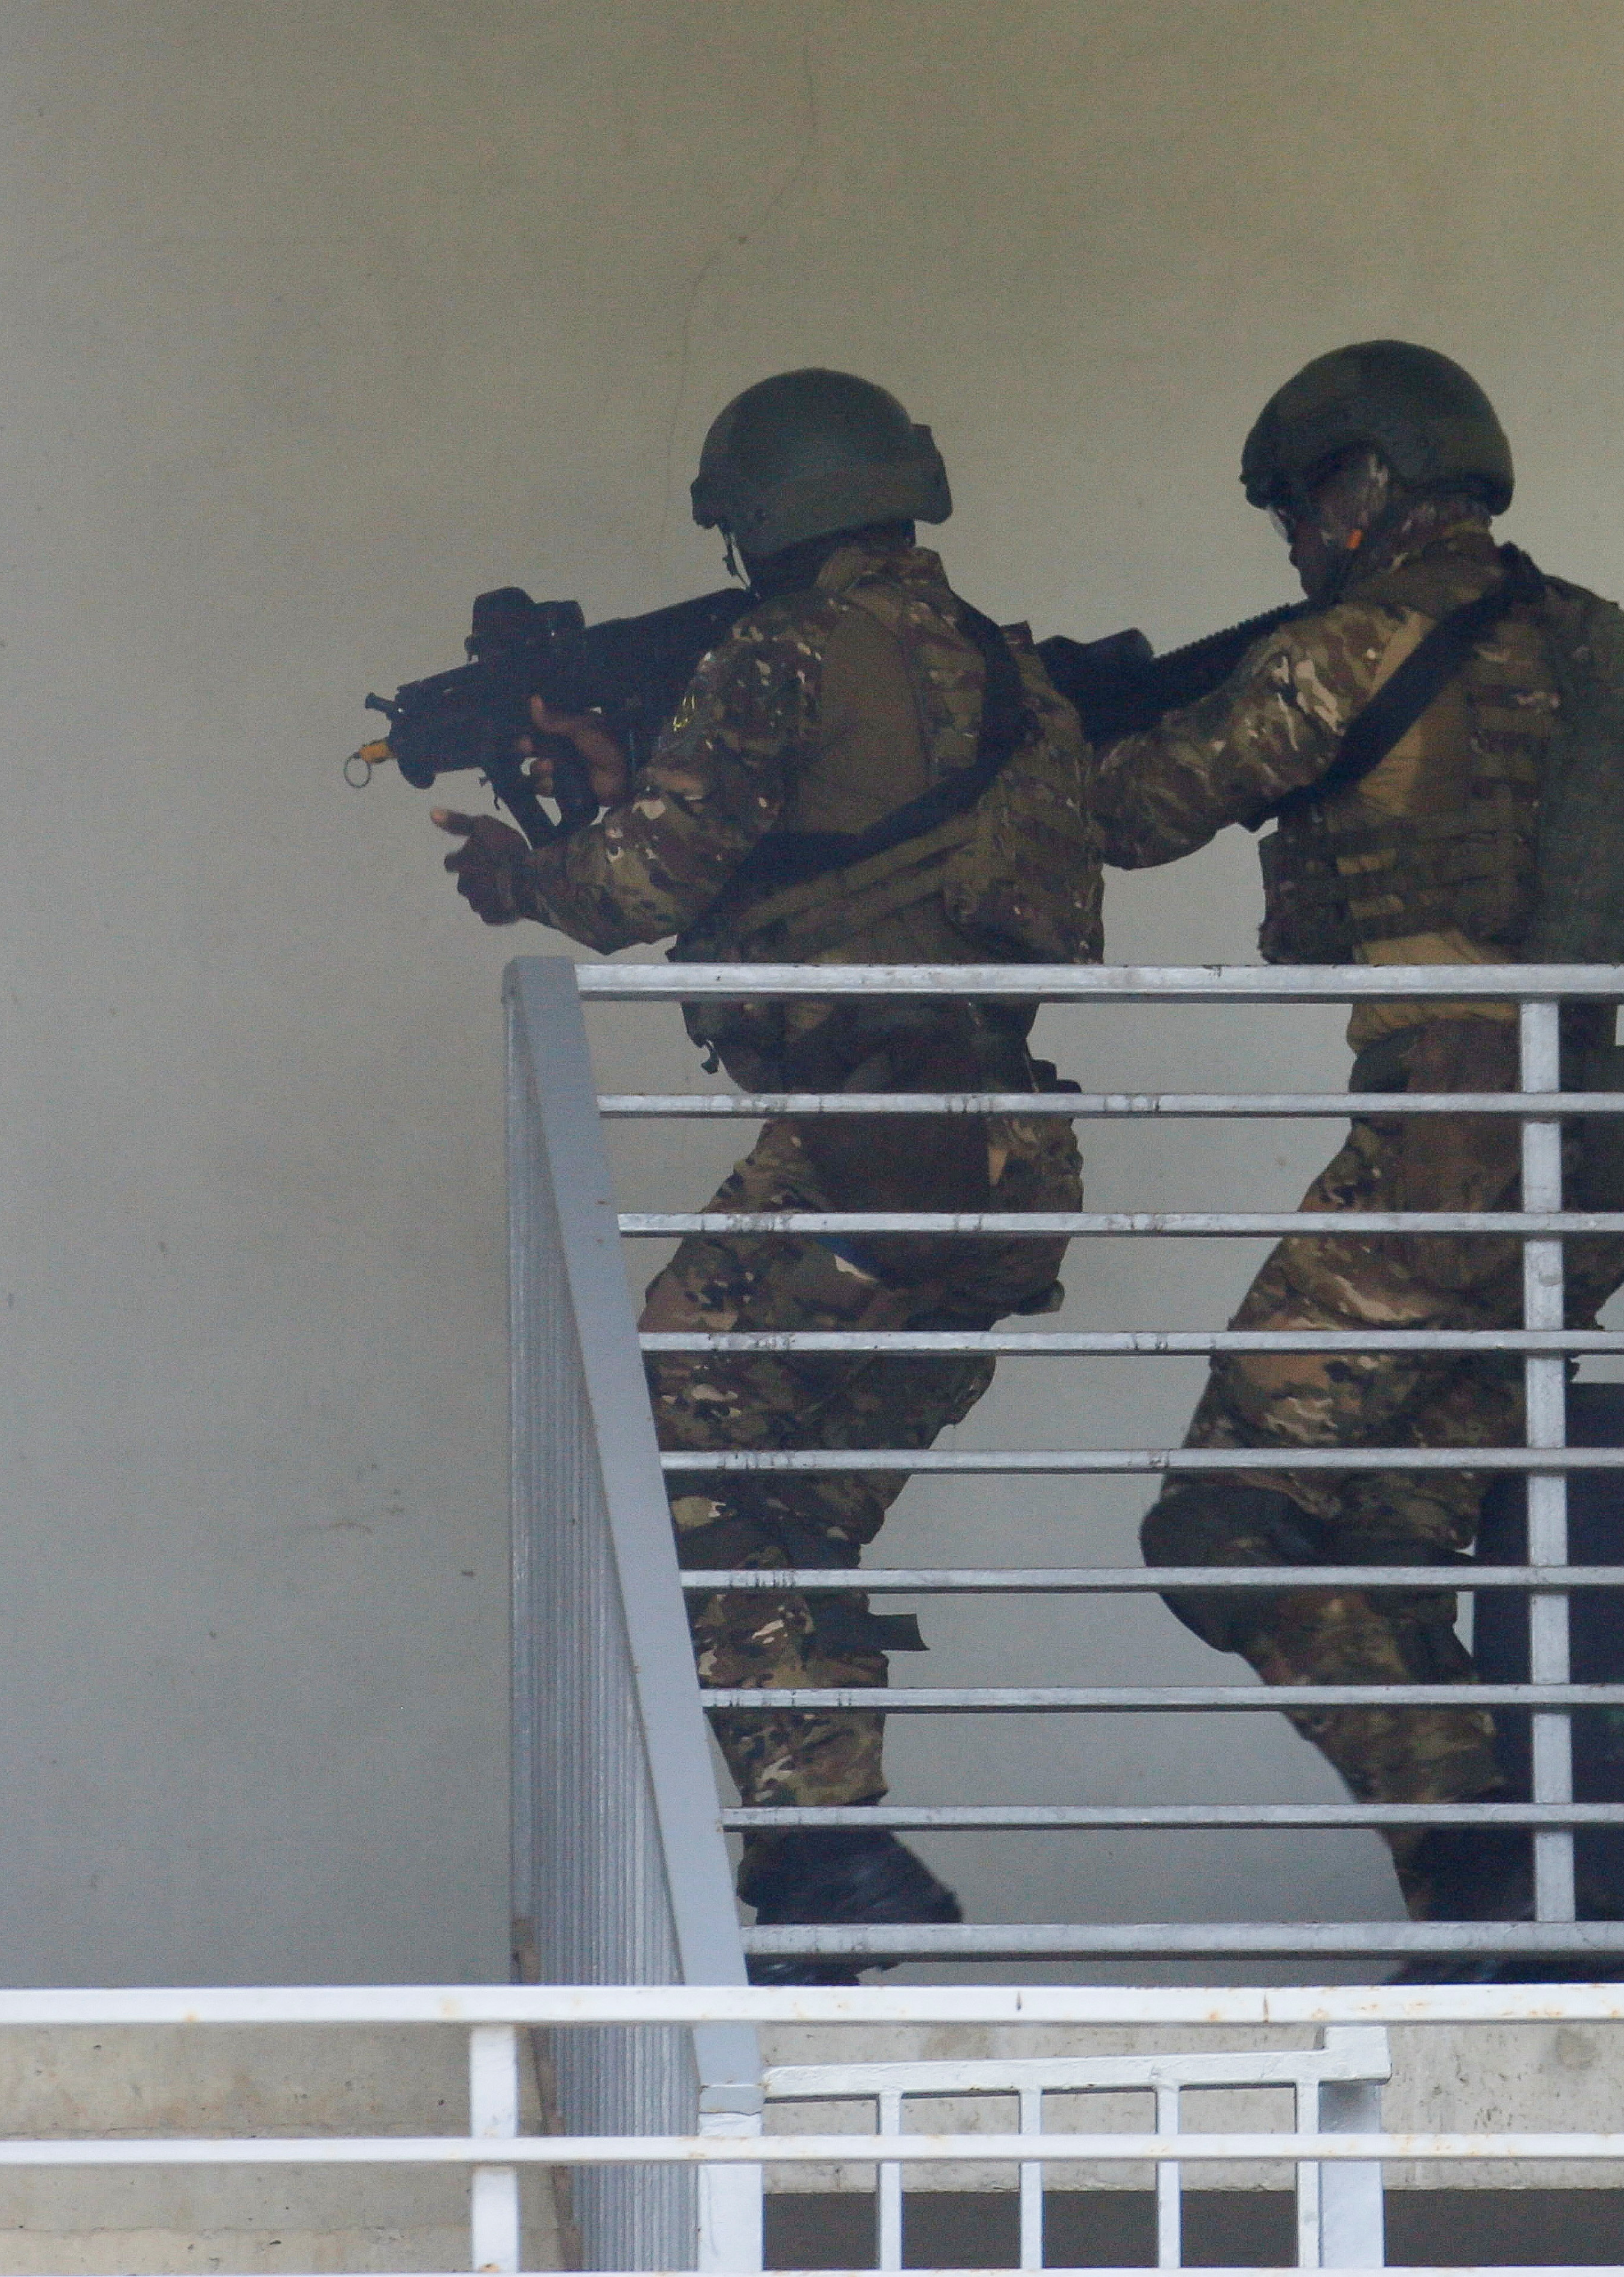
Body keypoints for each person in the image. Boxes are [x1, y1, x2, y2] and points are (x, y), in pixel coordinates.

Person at [431, 369, 1103, 1983]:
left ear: (758, 518)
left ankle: (831, 1850)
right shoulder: (1019, 674)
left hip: (872, 1138)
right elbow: (873, 862)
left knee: (665, 1439)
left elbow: (646, 879)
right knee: (779, 1510)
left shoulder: (777, 653)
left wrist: (528, 870)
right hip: (1011, 1156)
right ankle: (822, 1874)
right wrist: (618, 785)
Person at [1088, 341, 1624, 1934]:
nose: (1296, 547)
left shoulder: (1353, 648)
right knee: (1377, 1540)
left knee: (1223, 1519)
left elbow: (1137, 813)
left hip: (1449, 1143)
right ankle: (1487, 1898)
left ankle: (1478, 1841)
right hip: (1595, 1141)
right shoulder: (1604, 646)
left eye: (1304, 507)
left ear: (1366, 484)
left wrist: (1037, 735)